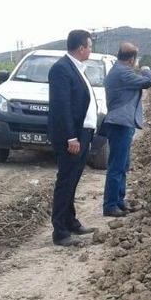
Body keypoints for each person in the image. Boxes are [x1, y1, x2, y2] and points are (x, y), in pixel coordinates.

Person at [47, 29, 99, 246]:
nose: (90, 50)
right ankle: (60, 231)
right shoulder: (61, 69)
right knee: (66, 181)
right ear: (81, 48)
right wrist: (71, 137)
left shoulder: (76, 68)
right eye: (89, 46)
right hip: (73, 136)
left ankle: (70, 221)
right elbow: (62, 107)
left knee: (73, 180)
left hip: (83, 133)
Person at [100, 42, 151, 217]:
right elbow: (148, 82)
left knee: (123, 164)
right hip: (120, 124)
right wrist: (146, 69)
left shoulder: (119, 70)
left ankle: (118, 201)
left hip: (123, 123)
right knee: (117, 166)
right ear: (132, 59)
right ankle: (110, 205)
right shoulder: (122, 72)